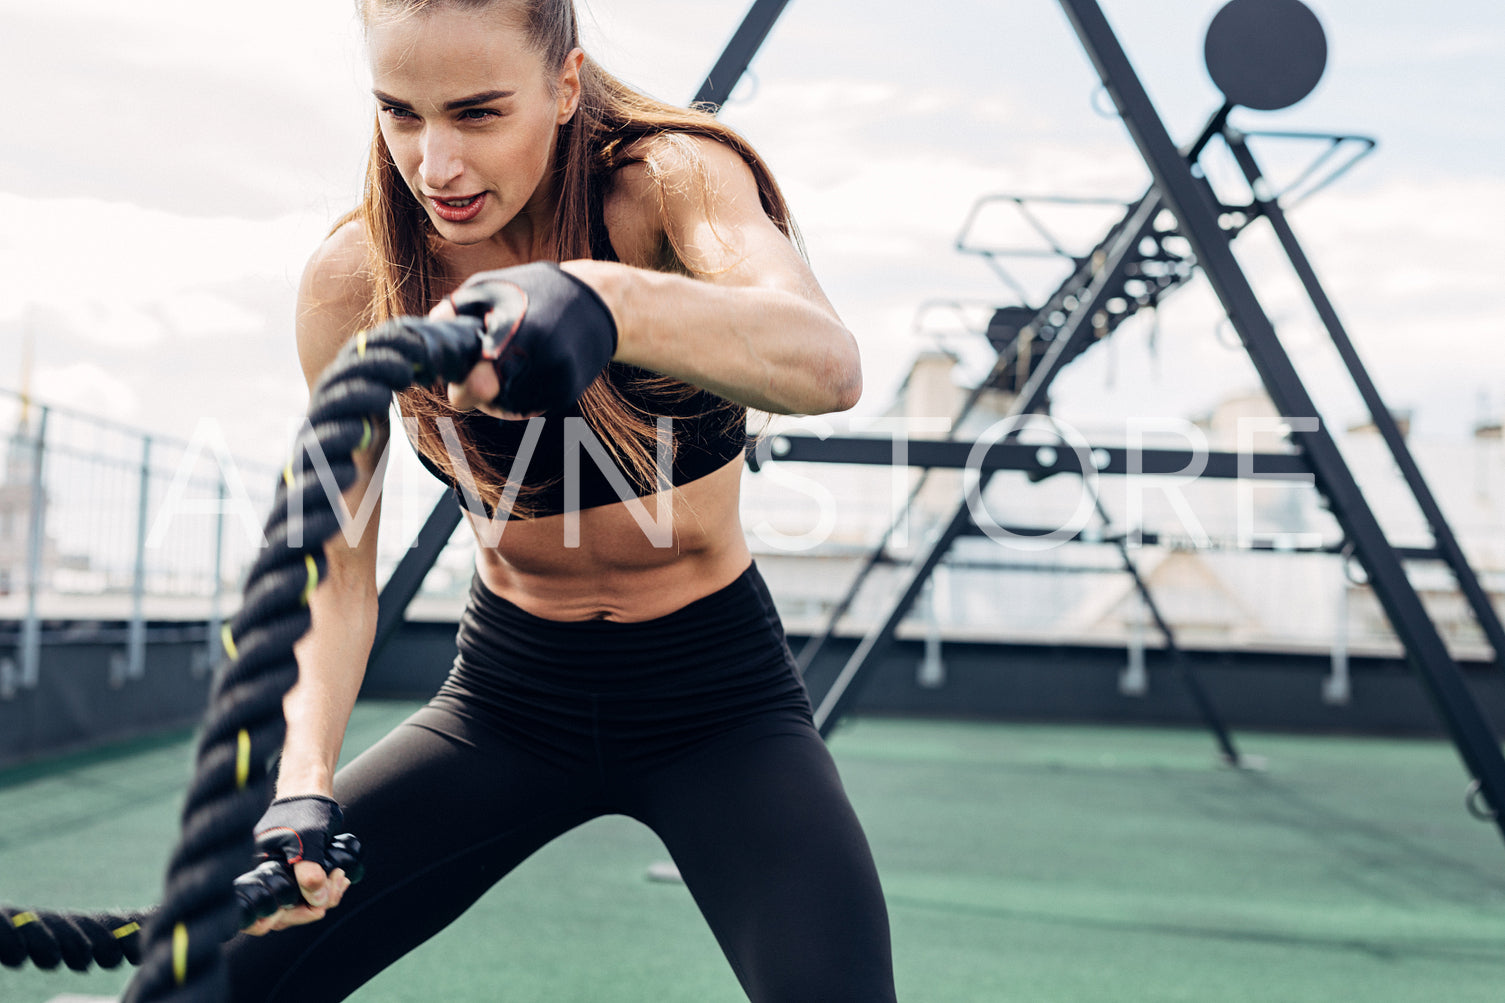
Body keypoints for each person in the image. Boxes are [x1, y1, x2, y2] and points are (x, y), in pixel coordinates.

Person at [223, 0, 896, 1000]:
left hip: (715, 701)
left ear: (564, 86)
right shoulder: (353, 284)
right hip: (507, 701)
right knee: (217, 981)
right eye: (401, 114)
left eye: (478, 113)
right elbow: (337, 566)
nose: (435, 163)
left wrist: (602, 299)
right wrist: (301, 784)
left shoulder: (670, 182)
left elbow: (826, 364)